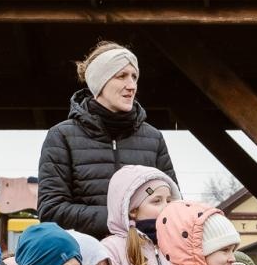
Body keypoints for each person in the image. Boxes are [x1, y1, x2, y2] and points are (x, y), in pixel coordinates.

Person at [37, 41, 177, 238]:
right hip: (86, 262)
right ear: (99, 82)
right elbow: (51, 211)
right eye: (121, 76)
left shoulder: (153, 138)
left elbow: (174, 205)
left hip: (144, 261)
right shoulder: (61, 136)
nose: (131, 86)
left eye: (134, 77)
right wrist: (121, 218)